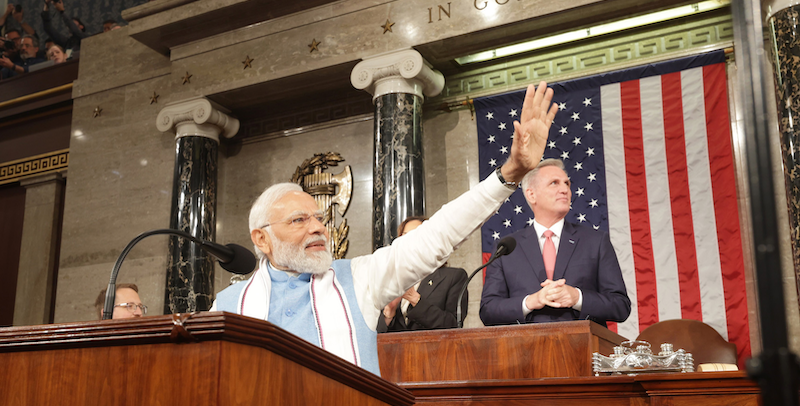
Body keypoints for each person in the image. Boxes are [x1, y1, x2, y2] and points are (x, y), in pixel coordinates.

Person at [210, 81, 558, 375]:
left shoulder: (359, 278)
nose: (317, 228)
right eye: (299, 220)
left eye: (319, 218)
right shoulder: (225, 308)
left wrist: (509, 174)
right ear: (261, 238)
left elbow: (437, 234)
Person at [479, 158, 631, 327]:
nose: (564, 189)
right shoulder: (507, 248)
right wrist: (531, 301)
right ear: (531, 194)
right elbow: (488, 310)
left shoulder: (595, 241)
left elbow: (620, 306)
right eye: (554, 183)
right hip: (525, 349)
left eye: (567, 183)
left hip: (584, 348)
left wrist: (578, 297)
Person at [377, 216, 468, 332]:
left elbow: (454, 325)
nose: (409, 240)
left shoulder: (453, 277)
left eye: (416, 235)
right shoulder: (389, 277)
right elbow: (374, 334)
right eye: (405, 236)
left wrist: (415, 299)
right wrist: (389, 311)